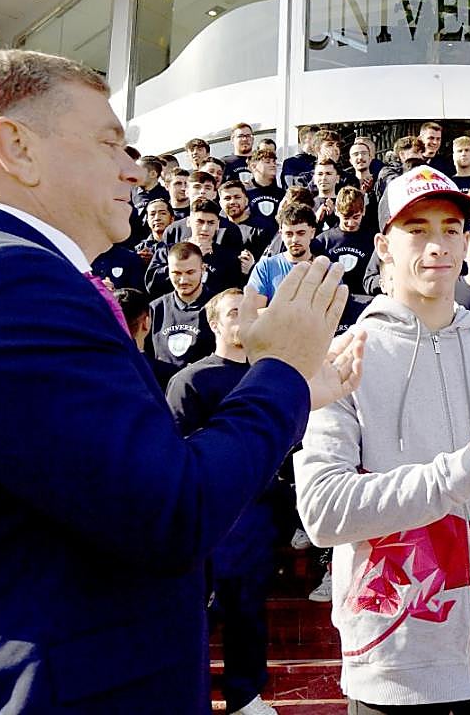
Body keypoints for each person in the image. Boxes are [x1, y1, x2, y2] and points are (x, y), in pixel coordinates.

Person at [0, 48, 363, 713]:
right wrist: (281, 370)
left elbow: (107, 476)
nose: (134, 170)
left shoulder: (3, 278)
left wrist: (299, 391)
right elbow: (172, 510)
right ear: (16, 148)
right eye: (111, 142)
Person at [293, 165, 470, 712]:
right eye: (416, 229)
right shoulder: (341, 359)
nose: (438, 245)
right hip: (396, 669)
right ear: (383, 246)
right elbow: (323, 513)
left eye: (451, 228)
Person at [165, 289, 285, 715]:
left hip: (255, 514)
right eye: (234, 313)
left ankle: (245, 696)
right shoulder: (191, 381)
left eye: (250, 312)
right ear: (214, 323)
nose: (244, 319)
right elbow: (178, 450)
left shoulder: (269, 379)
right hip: (206, 512)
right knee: (193, 612)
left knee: (247, 608)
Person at [247, 203, 318, 307]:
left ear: (312, 233)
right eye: (289, 234)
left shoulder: (326, 269)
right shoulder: (265, 267)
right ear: (281, 234)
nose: (294, 240)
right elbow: (254, 311)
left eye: (301, 233)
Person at [316, 187, 375, 296]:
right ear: (337, 211)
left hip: (364, 301)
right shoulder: (323, 241)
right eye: (346, 218)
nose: (351, 223)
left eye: (356, 217)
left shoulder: (372, 240)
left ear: (363, 211)